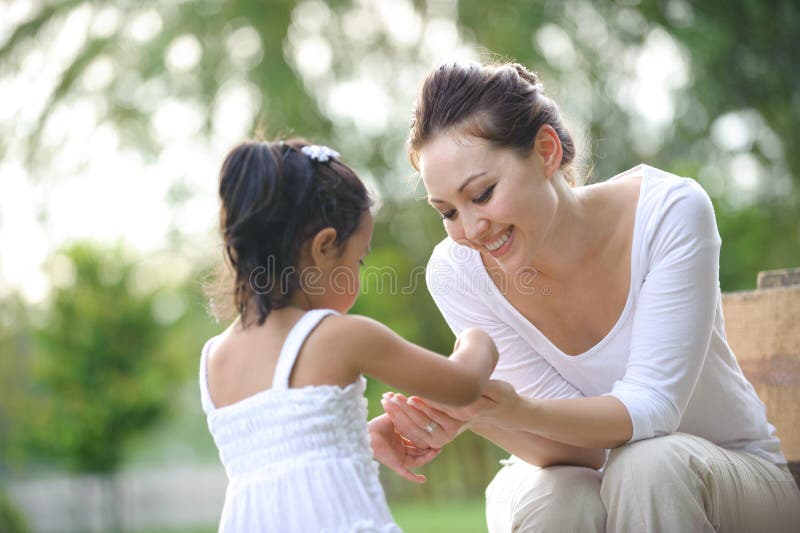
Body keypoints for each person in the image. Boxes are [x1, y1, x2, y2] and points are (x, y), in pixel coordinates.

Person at [380, 62, 800, 532]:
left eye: (482, 194)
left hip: (733, 477)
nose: (471, 229)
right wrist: (471, 413)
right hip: (589, 476)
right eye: (448, 212)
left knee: (649, 466)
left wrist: (514, 411)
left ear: (545, 151)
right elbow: (577, 450)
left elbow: (653, 409)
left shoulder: (669, 212)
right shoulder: (457, 272)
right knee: (556, 495)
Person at [199, 138, 499, 532]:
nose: (357, 274)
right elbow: (462, 386)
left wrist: (361, 439)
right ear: (324, 247)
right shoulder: (338, 336)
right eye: (357, 259)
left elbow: (290, 450)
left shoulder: (214, 358)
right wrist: (481, 335)